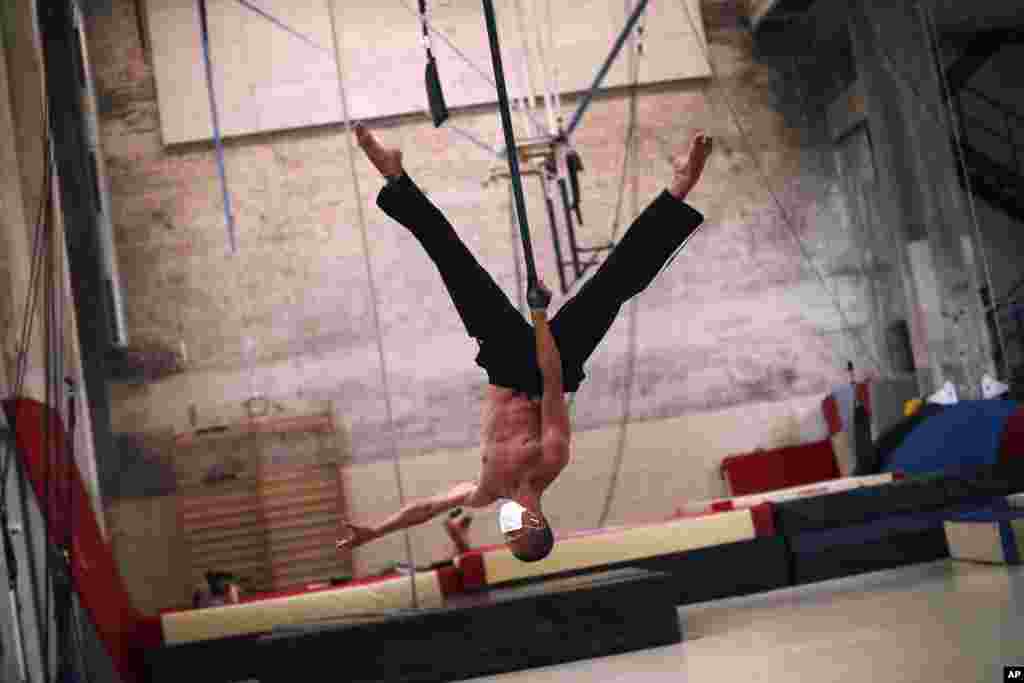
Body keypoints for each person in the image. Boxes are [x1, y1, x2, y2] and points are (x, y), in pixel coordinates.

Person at [337, 123, 713, 562]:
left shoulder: (488, 489)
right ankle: (681, 185)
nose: (505, 528)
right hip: (554, 361)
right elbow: (552, 381)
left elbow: (426, 508)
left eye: (507, 536)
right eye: (515, 534)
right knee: (614, 283)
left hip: (504, 362)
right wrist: (538, 314)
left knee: (454, 263)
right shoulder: (549, 459)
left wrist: (373, 532)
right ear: (536, 523)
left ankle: (395, 177)